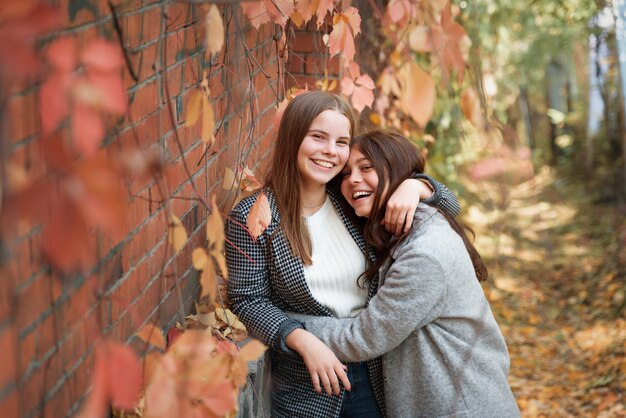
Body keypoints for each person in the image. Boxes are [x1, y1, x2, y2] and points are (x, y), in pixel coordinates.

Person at [225, 92, 460, 418]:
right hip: (306, 385)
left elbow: (449, 205)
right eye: (318, 137)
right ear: (293, 137)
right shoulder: (254, 217)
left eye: (341, 141)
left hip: (376, 378)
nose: (330, 152)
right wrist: (301, 340)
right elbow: (248, 300)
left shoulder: (351, 199)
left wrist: (417, 186)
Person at [286, 129, 521, 418]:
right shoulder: (399, 225)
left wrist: (287, 327)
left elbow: (362, 338)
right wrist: (419, 186)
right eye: (346, 174)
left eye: (366, 168)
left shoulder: (424, 254)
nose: (353, 179)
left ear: (396, 173)